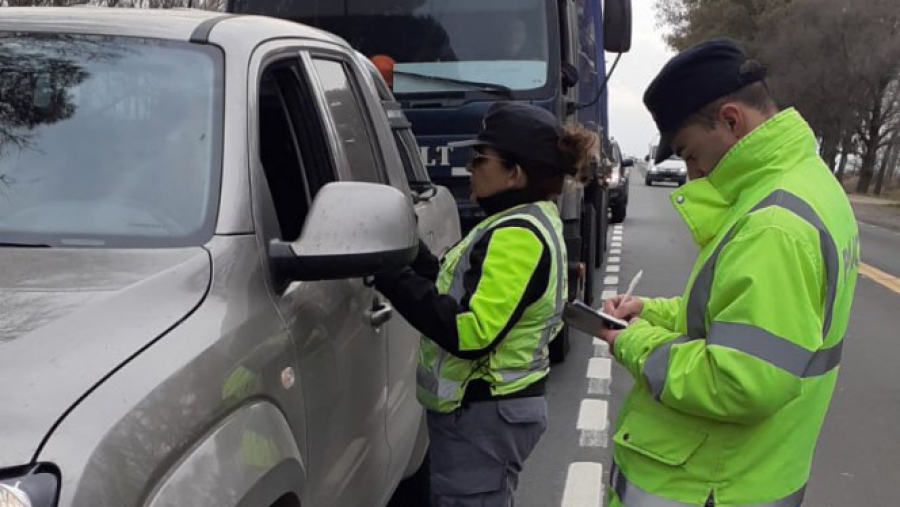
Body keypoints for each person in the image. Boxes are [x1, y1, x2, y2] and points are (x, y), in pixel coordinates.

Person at [597, 38, 860, 507]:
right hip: (752, 472)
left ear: (732, 121)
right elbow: (741, 320)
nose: (694, 172)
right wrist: (652, 312)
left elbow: (738, 381)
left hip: (708, 485)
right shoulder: (807, 182)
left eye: (690, 152)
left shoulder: (773, 223)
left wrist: (632, 340)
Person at [374, 102, 596, 506]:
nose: (469, 167)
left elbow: (472, 332)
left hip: (484, 414)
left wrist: (393, 278)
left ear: (514, 173)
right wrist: (407, 258)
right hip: (488, 413)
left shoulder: (518, 236)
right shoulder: (514, 222)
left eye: (480, 158)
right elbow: (455, 287)